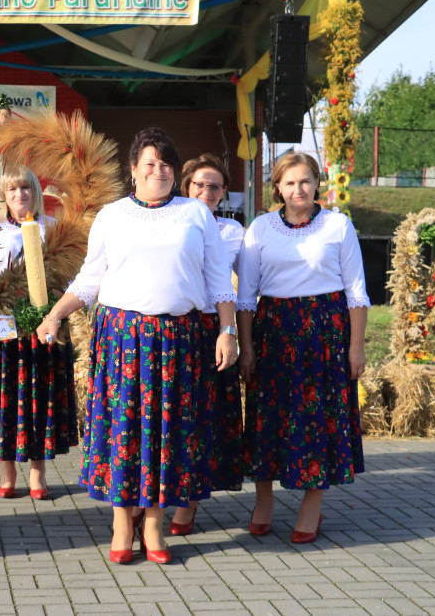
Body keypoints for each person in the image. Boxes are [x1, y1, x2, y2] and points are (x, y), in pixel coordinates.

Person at [35, 128, 238, 565]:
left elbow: (220, 280)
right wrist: (55, 314)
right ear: (133, 170)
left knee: (167, 434)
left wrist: (227, 331)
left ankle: (154, 523)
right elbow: (90, 280)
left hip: (179, 340)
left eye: (166, 164)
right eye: (150, 164)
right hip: (124, 340)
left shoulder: (195, 215)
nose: (158, 171)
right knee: (124, 431)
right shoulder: (112, 216)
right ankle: (122, 520)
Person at [236, 151, 368, 544]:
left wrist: (356, 347)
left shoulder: (338, 226)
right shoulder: (260, 227)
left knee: (319, 419)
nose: (299, 189)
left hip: (325, 335)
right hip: (273, 332)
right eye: (290, 182)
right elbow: (245, 296)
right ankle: (263, 503)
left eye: (306, 181)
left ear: (318, 183)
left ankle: (312, 508)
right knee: (266, 418)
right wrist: (246, 347)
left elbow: (357, 293)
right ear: (277, 186)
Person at [0, 165, 77, 499]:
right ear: (3, 197)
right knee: (6, 399)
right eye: (12, 190)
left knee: (40, 398)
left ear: (35, 192)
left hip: (43, 326)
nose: (20, 196)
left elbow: (71, 276)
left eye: (26, 189)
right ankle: (7, 472)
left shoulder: (54, 228)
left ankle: (38, 472)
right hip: (3, 330)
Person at [169, 153, 246, 535]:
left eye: (215, 185)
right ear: (186, 187)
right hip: (173, 329)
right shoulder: (170, 223)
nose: (206, 191)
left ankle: (188, 505)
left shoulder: (232, 231)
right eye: (199, 184)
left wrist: (232, 333)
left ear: (224, 192)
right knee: (168, 419)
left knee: (202, 421)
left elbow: (247, 286)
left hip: (213, 330)